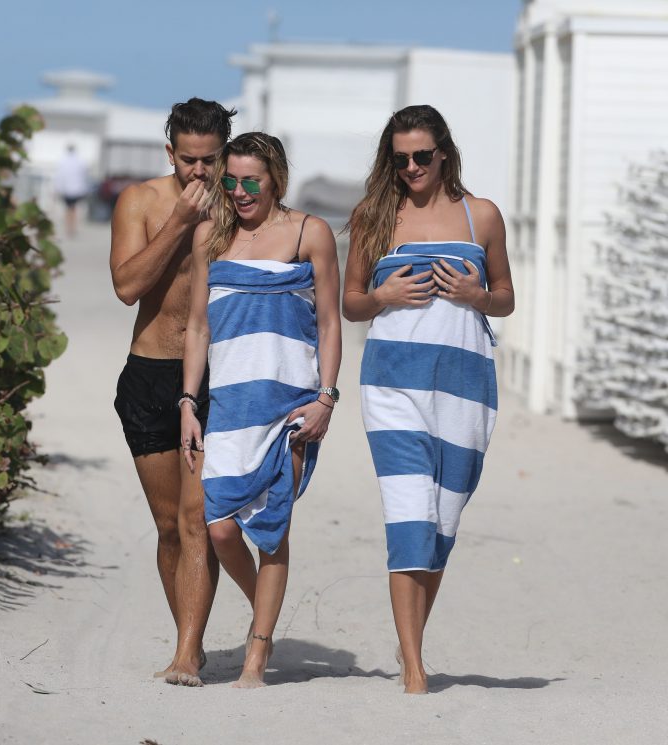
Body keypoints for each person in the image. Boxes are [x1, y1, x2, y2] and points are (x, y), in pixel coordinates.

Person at [342, 105, 515, 694]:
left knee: (441, 525)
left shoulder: (481, 215)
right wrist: (382, 295)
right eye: (400, 159)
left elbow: (506, 296)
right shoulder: (373, 215)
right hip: (392, 384)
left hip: (465, 390)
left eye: (421, 156)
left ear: (444, 152)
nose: (412, 167)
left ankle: (409, 636)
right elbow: (352, 302)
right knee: (409, 518)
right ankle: (414, 669)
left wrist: (476, 294)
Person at [179, 132, 342, 688]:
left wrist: (326, 398)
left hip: (290, 407)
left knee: (272, 530)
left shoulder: (309, 232)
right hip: (228, 406)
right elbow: (198, 326)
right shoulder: (209, 235)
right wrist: (188, 403)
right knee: (221, 528)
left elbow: (330, 323)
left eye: (253, 180)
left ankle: (256, 656)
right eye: (231, 180)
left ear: (276, 179)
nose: (241, 191)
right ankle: (265, 617)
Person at [110, 98, 236, 687]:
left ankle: (186, 652)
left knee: (196, 521)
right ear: (170, 153)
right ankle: (193, 637)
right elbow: (127, 286)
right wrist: (181, 222)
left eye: (211, 160)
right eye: (189, 160)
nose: (200, 172)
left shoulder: (240, 205)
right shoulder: (139, 201)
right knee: (167, 525)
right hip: (149, 374)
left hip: (212, 379)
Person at [55, 144, 89, 237]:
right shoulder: (80, 161)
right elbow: (84, 175)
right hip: (76, 189)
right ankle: (72, 228)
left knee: (68, 209)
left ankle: (69, 228)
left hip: (66, 189)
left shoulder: (63, 161)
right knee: (74, 209)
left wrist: (58, 188)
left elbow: (59, 176)